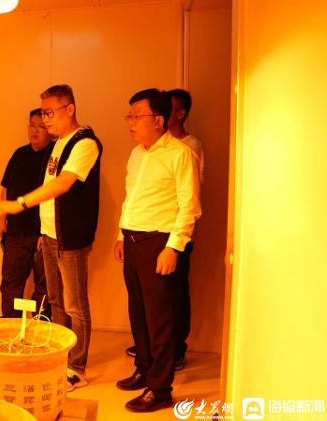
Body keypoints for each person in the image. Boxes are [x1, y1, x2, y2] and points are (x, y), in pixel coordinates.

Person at [0, 84, 102, 390]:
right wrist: (41, 230)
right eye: (42, 113)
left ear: (70, 109)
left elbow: (63, 184)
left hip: (71, 238)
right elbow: (49, 190)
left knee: (75, 304)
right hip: (49, 234)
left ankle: (76, 366)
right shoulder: (58, 143)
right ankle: (60, 356)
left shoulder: (85, 143)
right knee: (55, 301)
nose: (46, 120)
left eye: (50, 113)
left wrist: (19, 204)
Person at [113, 89, 201, 412]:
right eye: (130, 116)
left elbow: (189, 206)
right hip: (132, 240)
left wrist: (173, 247)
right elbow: (131, 198)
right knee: (138, 312)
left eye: (137, 116)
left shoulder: (180, 154)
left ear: (159, 120)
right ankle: (144, 369)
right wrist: (120, 234)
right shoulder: (136, 154)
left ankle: (161, 388)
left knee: (160, 319)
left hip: (159, 243)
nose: (131, 123)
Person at [0, 108, 53, 319]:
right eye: (32, 125)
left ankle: (39, 326)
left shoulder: (54, 156)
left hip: (43, 233)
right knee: (10, 281)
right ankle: (9, 324)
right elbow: (5, 188)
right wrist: (1, 218)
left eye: (41, 127)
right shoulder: (19, 154)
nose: (34, 131)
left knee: (44, 286)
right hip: (15, 231)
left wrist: (46, 233)